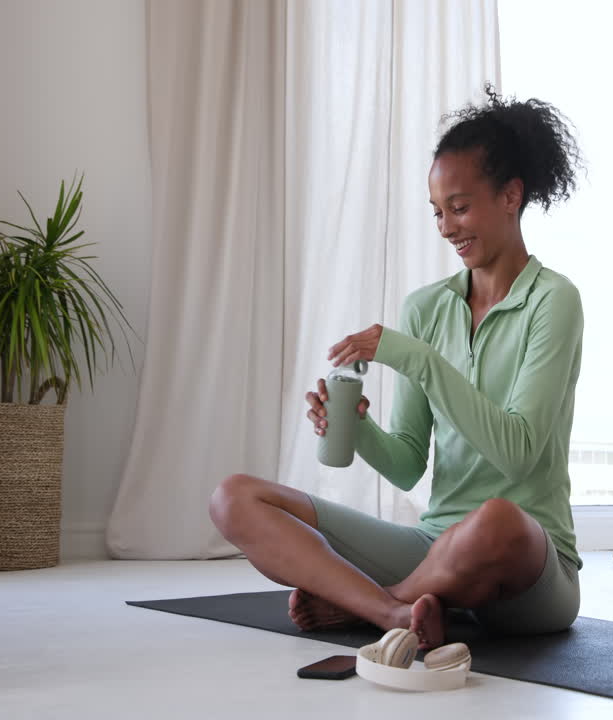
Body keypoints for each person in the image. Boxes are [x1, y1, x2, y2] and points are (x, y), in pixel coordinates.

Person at [209, 86, 584, 650]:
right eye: (437, 212)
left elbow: (518, 451)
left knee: (497, 519)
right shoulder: (426, 307)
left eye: (459, 207)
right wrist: (355, 429)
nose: (447, 227)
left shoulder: (553, 301)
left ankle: (367, 600)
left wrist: (414, 357)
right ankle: (390, 611)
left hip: (530, 564)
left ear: (511, 195)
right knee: (233, 497)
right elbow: (409, 463)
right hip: (437, 548)